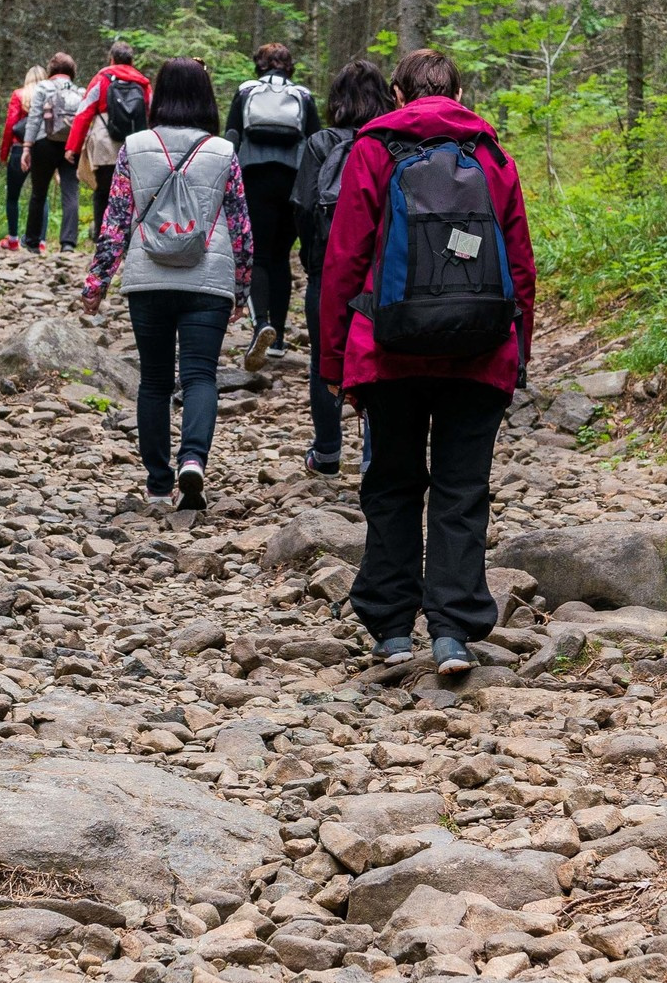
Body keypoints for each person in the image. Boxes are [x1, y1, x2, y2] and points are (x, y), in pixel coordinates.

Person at [317, 48, 535, 676]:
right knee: (462, 489)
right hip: (479, 350)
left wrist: (334, 359)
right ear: (460, 93)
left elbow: (345, 263)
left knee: (390, 483)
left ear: (396, 94)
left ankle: (390, 628)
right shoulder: (492, 156)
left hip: (388, 351)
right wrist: (518, 351)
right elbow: (519, 264)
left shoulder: (373, 150)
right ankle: (454, 631)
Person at [82, 58, 254, 511]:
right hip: (209, 279)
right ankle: (193, 459)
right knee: (200, 376)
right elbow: (240, 226)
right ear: (205, 97)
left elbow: (115, 221)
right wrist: (243, 286)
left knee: (154, 382)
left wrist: (97, 281)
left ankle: (158, 484)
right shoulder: (222, 151)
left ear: (158, 94)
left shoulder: (134, 147)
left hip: (148, 280)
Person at [293, 57, 394, 476]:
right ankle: (375, 454)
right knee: (380, 357)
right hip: (382, 271)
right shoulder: (392, 141)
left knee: (325, 358)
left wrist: (309, 257)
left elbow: (301, 204)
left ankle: (328, 450)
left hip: (326, 268)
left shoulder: (320, 144)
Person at [225, 41, 320, 371]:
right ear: (289, 66)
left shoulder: (246, 91)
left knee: (260, 256)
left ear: (259, 66)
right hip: (293, 182)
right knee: (281, 257)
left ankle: (260, 322)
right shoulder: (304, 96)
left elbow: (232, 136)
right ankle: (278, 339)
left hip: (254, 179)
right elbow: (316, 142)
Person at [66, 41, 154, 246]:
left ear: (111, 59)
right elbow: (152, 113)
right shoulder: (143, 83)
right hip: (136, 145)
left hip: (105, 144)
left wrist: (72, 146)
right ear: (132, 61)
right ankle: (129, 242)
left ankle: (102, 239)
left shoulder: (102, 79)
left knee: (103, 192)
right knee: (133, 195)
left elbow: (84, 112)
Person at [20, 53, 85, 254]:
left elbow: (34, 118)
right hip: (71, 147)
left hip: (43, 143)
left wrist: (27, 147)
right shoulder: (79, 91)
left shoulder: (43, 87)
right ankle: (68, 243)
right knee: (70, 193)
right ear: (72, 72)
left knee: (39, 193)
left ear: (51, 71)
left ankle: (32, 241)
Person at [0, 63, 45, 250]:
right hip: (42, 149)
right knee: (41, 195)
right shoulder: (48, 96)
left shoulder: (19, 95)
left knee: (13, 195)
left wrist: (3, 154)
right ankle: (40, 241)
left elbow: (11, 125)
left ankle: (13, 239)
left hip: (19, 149)